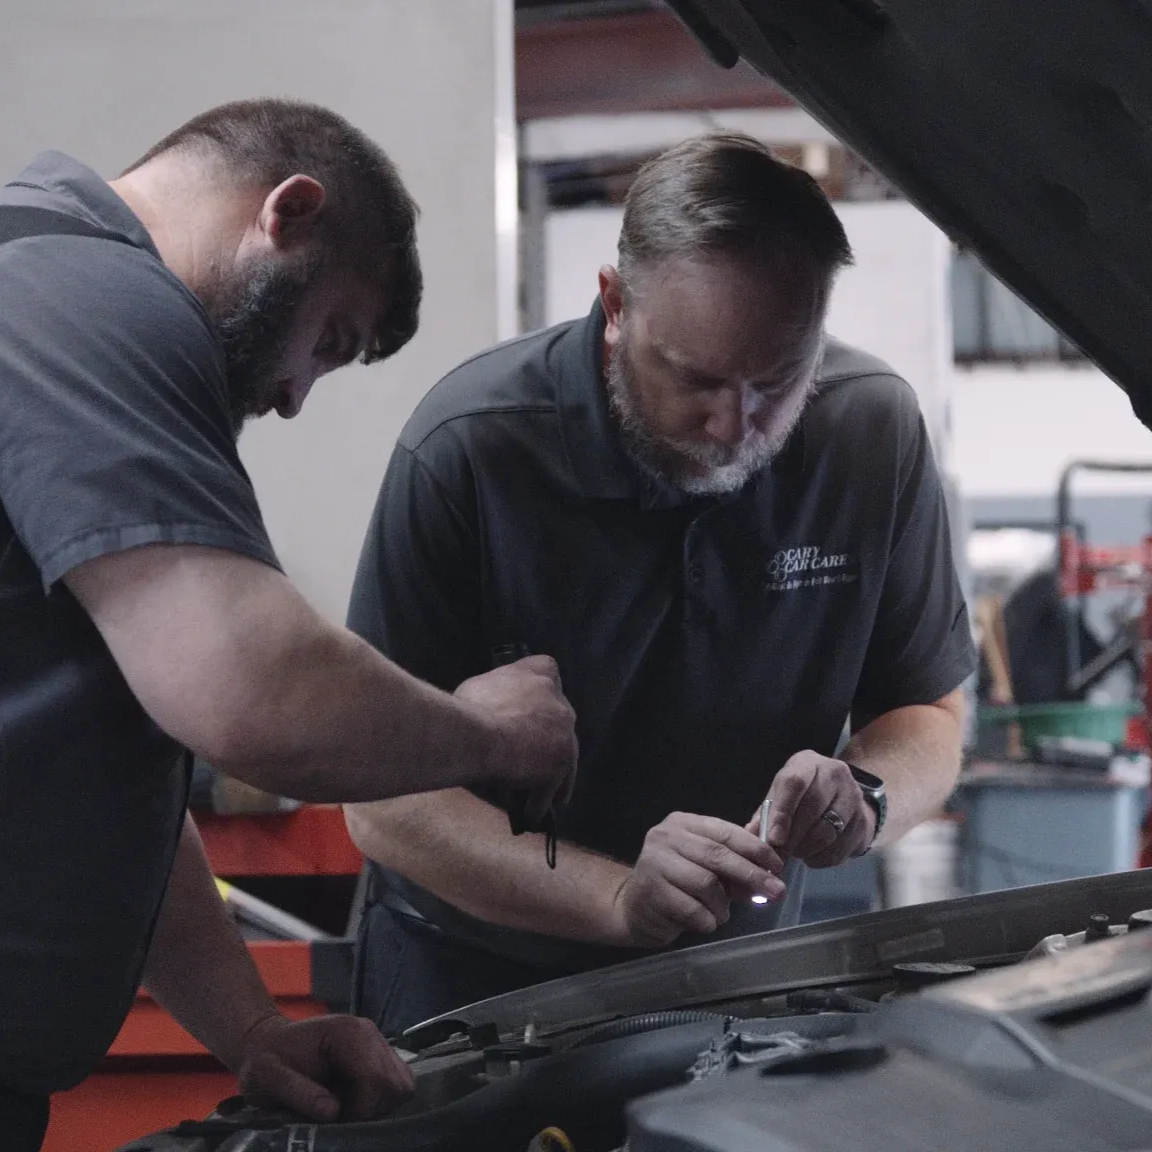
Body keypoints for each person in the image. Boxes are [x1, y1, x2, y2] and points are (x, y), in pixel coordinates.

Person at [0, 99, 578, 1151]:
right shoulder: (82, 295)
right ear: (289, 213)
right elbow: (247, 689)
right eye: (329, 340)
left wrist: (251, 1028)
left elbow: (114, 768)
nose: (296, 394)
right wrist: (487, 735)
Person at [344, 132, 976, 1037]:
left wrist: (864, 800)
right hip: (473, 983)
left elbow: (929, 716)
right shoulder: (471, 448)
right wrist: (617, 899)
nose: (736, 424)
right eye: (697, 379)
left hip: (737, 976)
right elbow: (383, 800)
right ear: (613, 305)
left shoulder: (870, 431)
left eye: (778, 378)